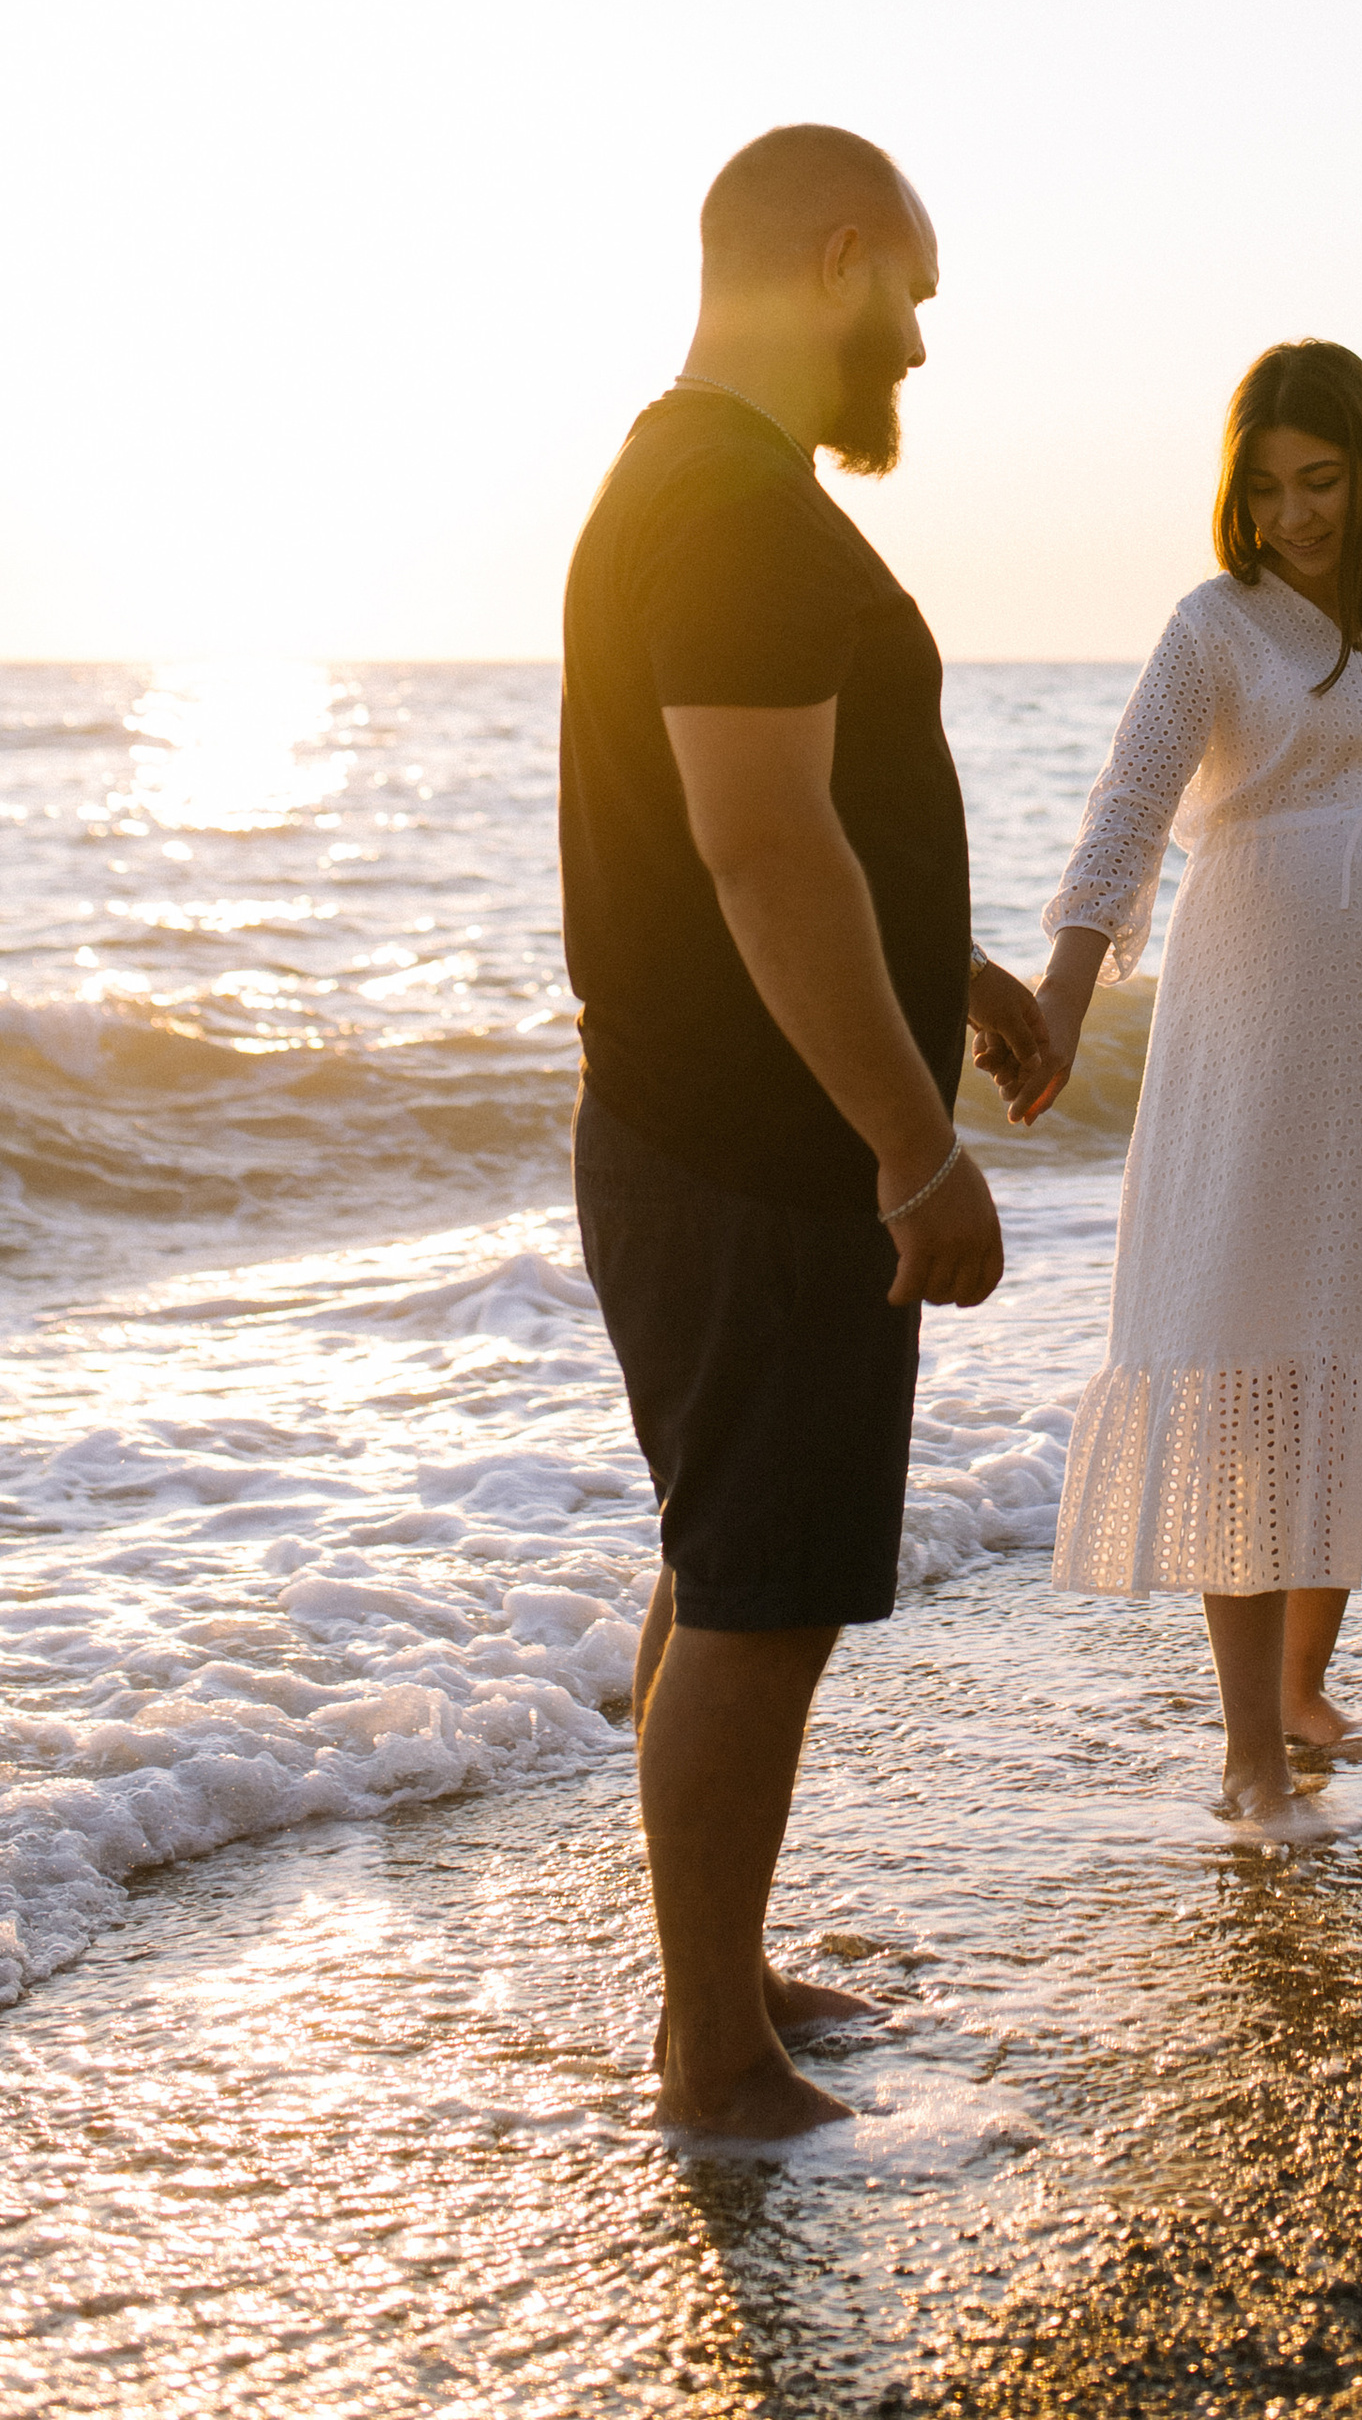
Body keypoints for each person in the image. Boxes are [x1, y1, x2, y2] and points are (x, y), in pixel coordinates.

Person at [559, 123, 1060, 2141]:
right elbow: (758, 850)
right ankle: (712, 2060)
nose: (919, 353)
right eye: (912, 302)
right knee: (764, 1595)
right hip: (755, 1162)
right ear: (837, 260)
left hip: (700, 1133)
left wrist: (949, 977)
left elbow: (792, 826)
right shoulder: (742, 509)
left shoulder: (688, 473)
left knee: (722, 1565)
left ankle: (721, 1979)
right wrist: (909, 1154)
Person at [1029, 338, 1362, 1837]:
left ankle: (1309, 1689)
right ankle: (1251, 1754)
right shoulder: (1214, 627)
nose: (1293, 516)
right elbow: (1126, 815)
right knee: (1251, 1354)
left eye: (1320, 483)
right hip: (1257, 1033)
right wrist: (1061, 998)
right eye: (1264, 488)